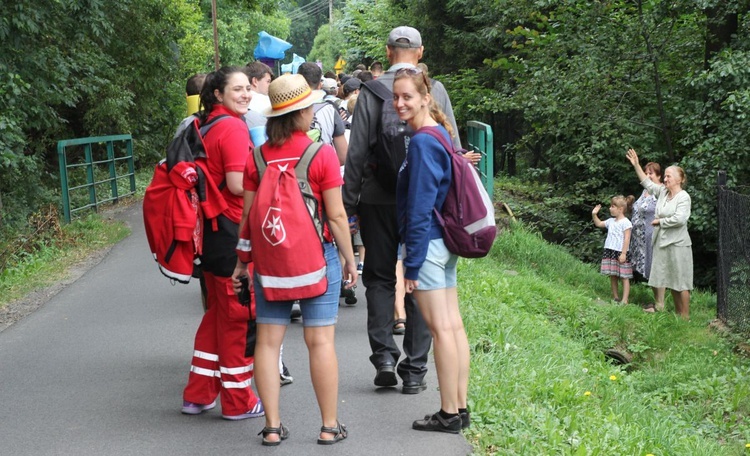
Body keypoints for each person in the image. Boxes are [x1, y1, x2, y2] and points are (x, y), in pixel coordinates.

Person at [232, 74, 357, 446]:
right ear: (304, 112)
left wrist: (242, 261)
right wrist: (350, 260)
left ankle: (272, 427)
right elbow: (336, 217)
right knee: (320, 342)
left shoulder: (257, 157)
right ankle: (329, 426)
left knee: (268, 343)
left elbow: (248, 217)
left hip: (271, 263)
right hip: (317, 259)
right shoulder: (321, 154)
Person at [343, 25, 461, 396]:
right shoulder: (433, 90)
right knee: (421, 281)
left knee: (379, 278)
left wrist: (348, 204)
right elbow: (452, 148)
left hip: (378, 200)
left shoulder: (372, 91)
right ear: (420, 52)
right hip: (423, 205)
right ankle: (414, 369)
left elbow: (357, 151)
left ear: (389, 51)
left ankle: (383, 357)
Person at [181, 66, 264, 421]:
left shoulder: (206, 124)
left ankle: (198, 395)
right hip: (231, 233)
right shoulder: (231, 127)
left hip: (212, 235)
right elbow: (235, 183)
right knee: (238, 318)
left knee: (216, 316)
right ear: (218, 94)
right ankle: (238, 401)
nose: (246, 94)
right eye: (238, 89)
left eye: (248, 88)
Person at [393, 66, 469, 433]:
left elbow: (420, 207)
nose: (399, 103)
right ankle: (460, 406)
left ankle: (448, 413)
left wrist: (411, 264)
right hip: (445, 243)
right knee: (452, 326)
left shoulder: (423, 141)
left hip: (430, 244)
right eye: (396, 97)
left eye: (407, 96)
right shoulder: (439, 133)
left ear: (426, 98)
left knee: (440, 330)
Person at [626, 148, 693, 319]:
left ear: (680, 179)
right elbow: (647, 183)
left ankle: (685, 318)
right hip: (662, 243)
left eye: (669, 175)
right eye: (665, 176)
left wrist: (660, 222)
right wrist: (636, 165)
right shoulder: (663, 192)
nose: (665, 178)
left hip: (678, 243)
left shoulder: (683, 197)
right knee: (671, 281)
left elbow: (680, 219)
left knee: (681, 281)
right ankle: (678, 315)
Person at [629, 162, 666, 312]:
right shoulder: (645, 191)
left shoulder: (661, 191)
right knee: (649, 270)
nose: (648, 175)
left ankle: (660, 305)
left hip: (654, 236)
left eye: (651, 173)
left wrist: (636, 164)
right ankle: (656, 302)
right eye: (646, 172)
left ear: (659, 176)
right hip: (640, 239)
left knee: (657, 269)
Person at [297, 62, 348, 165]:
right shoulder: (330, 110)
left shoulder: (287, 109)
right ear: (320, 84)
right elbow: (343, 156)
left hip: (293, 175)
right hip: (323, 171)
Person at [591, 196, 635, 304]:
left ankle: (625, 300)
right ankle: (616, 297)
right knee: (613, 275)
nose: (610, 208)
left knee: (624, 276)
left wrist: (624, 253)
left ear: (620, 209)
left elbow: (627, 238)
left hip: (620, 252)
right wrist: (594, 214)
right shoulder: (611, 221)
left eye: (612, 206)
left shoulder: (626, 222)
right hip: (610, 250)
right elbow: (599, 223)